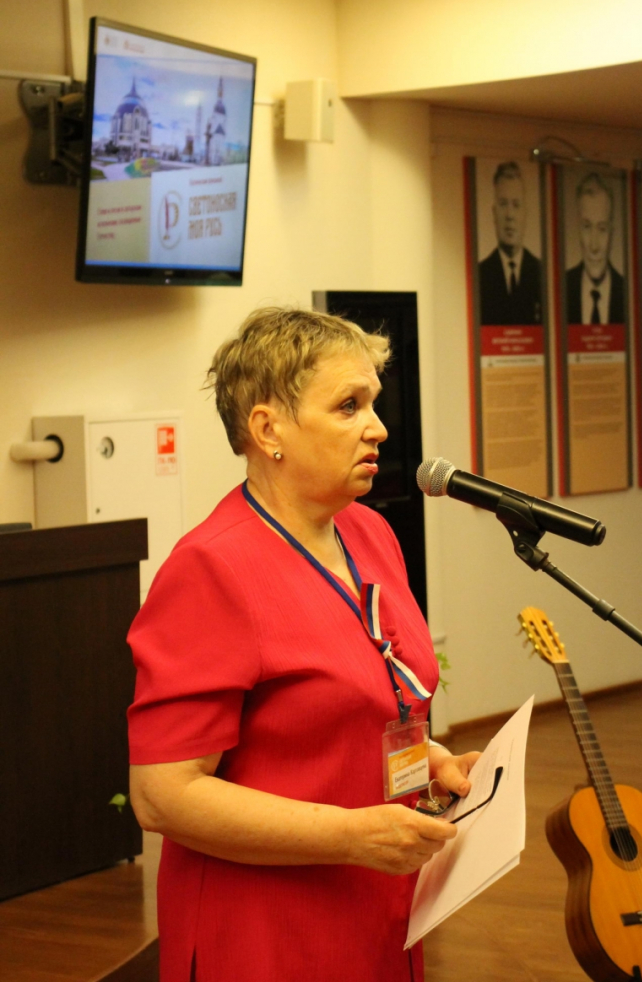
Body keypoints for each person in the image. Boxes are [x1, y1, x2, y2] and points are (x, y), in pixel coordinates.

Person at [127, 307, 480, 982]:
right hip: (264, 930)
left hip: (377, 902)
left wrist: (430, 761)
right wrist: (351, 834)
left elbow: (367, 700)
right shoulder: (211, 568)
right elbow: (162, 795)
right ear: (268, 430)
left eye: (372, 403)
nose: (378, 427)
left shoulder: (369, 532)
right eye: (349, 406)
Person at [479, 161, 543, 325]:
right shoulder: (480, 275)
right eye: (503, 204)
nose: (509, 215)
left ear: (525, 213)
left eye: (516, 205)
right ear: (494, 213)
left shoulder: (542, 274)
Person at [565, 172, 625, 325]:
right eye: (586, 227)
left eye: (602, 229)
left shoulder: (627, 292)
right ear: (578, 228)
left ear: (612, 231)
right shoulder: (562, 289)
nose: (594, 246)